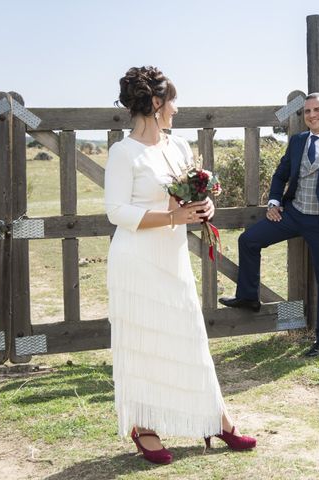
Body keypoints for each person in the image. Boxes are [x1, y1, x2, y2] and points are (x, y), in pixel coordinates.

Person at [105, 66, 256, 465]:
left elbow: (187, 198)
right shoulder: (124, 153)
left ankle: (215, 418)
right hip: (136, 260)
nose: (177, 107)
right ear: (156, 104)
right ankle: (144, 424)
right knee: (145, 341)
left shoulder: (179, 147)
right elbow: (116, 212)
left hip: (171, 257)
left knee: (188, 335)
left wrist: (205, 206)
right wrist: (172, 218)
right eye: (172, 100)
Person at [220, 93, 319, 357]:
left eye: (317, 110)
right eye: (307, 111)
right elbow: (281, 174)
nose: (312, 115)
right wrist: (273, 203)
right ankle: (248, 296)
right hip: (293, 213)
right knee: (248, 240)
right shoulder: (298, 140)